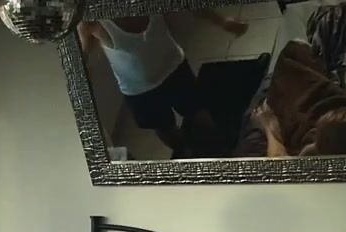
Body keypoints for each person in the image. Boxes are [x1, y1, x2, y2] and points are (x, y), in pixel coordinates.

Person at [77, 11, 248, 155]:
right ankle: (186, 153)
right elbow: (82, 56)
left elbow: (189, 6)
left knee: (199, 114)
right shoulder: (92, 21)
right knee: (165, 129)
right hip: (139, 90)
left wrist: (223, 21)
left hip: (175, 69)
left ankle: (222, 149)